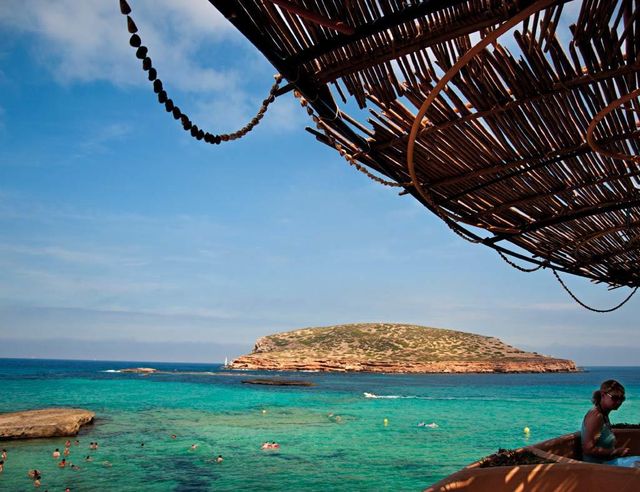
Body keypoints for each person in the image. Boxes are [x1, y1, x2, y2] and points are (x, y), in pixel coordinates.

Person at [581, 379, 640, 467]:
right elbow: (588, 449)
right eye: (615, 398)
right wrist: (616, 452)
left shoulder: (603, 414)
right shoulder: (595, 416)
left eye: (622, 398)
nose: (619, 402)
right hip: (599, 467)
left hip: (608, 463)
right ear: (603, 395)